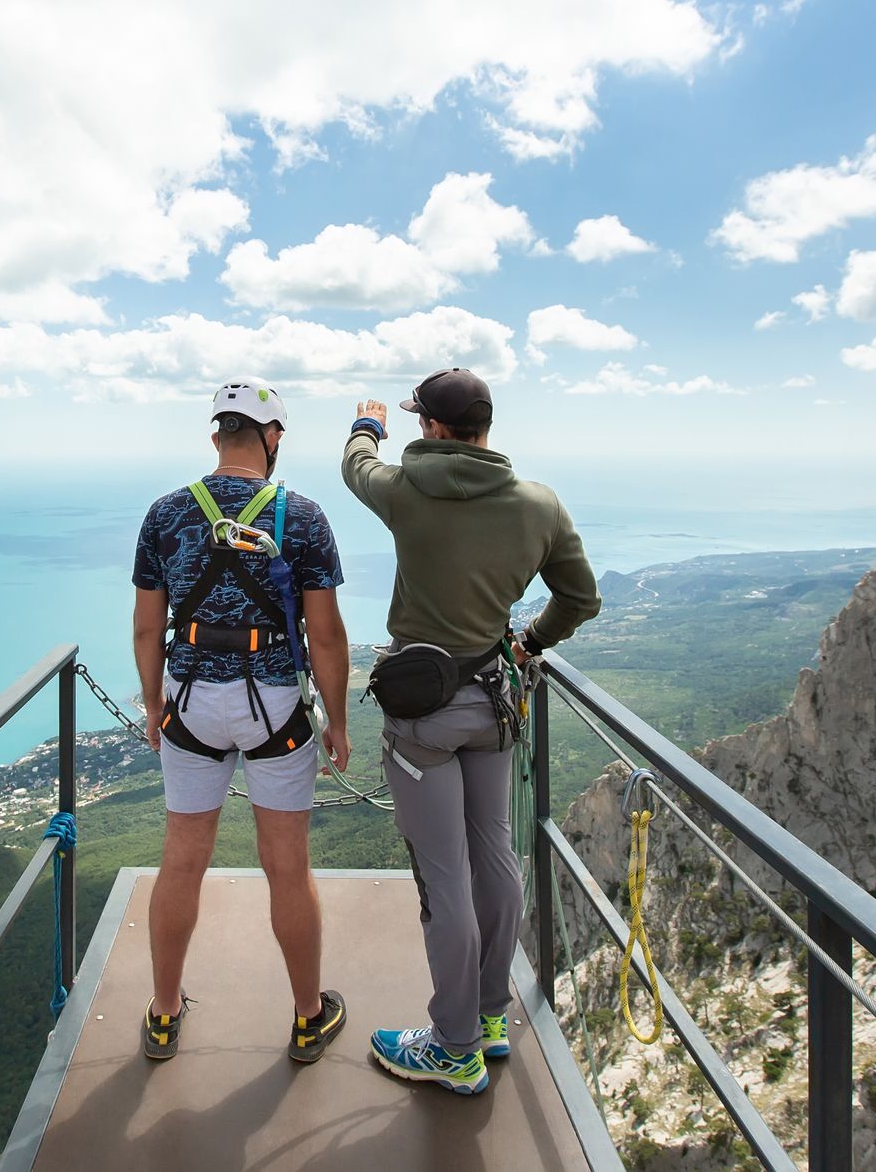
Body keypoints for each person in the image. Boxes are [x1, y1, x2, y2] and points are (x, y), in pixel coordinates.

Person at [341, 367, 600, 1095]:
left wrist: (366, 425)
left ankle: (453, 1047)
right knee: (495, 855)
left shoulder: (405, 490)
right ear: (486, 428)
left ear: (429, 427)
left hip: (422, 714)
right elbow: (582, 596)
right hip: (493, 703)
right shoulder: (537, 505)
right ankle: (488, 1015)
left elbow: (355, 466)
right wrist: (533, 640)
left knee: (443, 878)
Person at [131, 379, 352, 1064]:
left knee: (182, 857)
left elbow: (146, 628)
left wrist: (152, 704)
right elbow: (328, 635)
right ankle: (308, 1017)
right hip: (275, 703)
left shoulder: (166, 513)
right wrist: (337, 722)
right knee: (287, 864)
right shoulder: (304, 516)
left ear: (217, 435)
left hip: (191, 700)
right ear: (272, 437)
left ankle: (165, 1012)